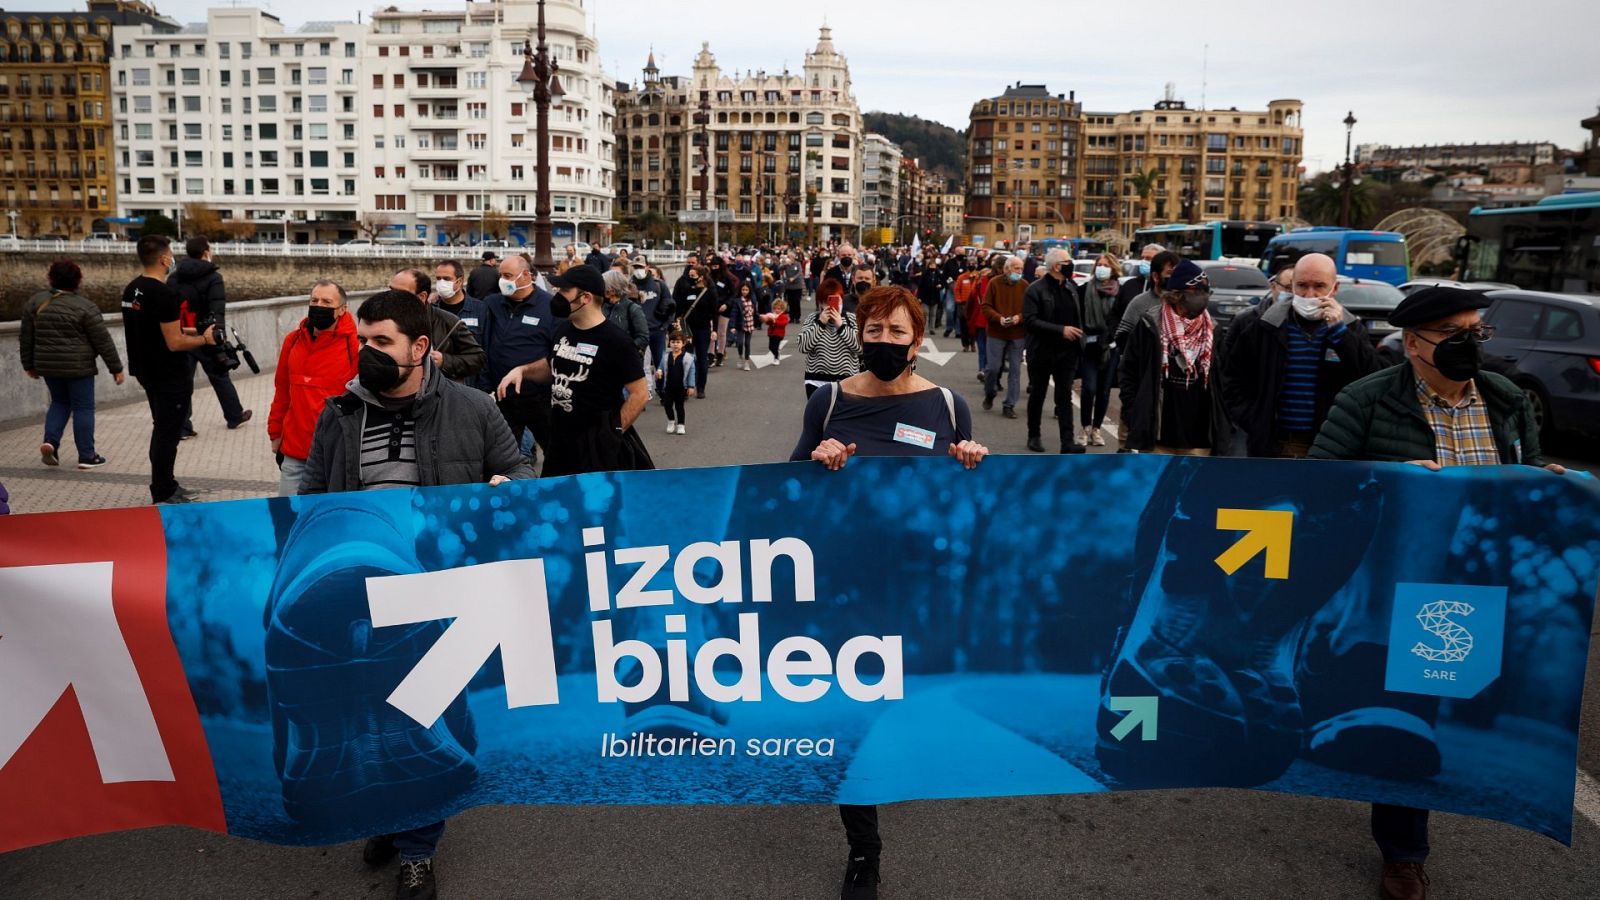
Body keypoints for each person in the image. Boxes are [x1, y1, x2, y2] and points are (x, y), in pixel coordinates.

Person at [1309, 286, 1566, 900]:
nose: (1470, 342)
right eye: (1453, 331)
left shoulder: (1506, 400)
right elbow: (1316, 487)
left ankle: (1336, 706)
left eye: (1477, 330)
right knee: (1406, 717)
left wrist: (1547, 484)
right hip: (1390, 588)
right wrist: (1385, 477)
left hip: (1470, 583)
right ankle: (1404, 853)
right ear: (1414, 342)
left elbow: (1524, 478)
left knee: (1427, 714)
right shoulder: (1367, 400)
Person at [294, 290, 531, 900]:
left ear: (420, 348)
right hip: (360, 597)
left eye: (381, 342)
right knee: (367, 723)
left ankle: (418, 851)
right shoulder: (339, 412)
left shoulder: (474, 409)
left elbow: (521, 470)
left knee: (420, 725)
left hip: (439, 595)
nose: (366, 352)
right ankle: (388, 818)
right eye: (362, 340)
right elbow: (314, 501)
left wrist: (509, 486)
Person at [788, 285, 989, 900]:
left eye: (895, 333)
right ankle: (863, 852)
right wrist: (815, 463)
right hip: (844, 589)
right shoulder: (827, 401)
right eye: (871, 332)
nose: (881, 343)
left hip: (918, 590)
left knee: (906, 714)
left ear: (916, 338)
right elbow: (785, 497)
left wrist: (972, 464)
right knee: (854, 718)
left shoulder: (948, 408)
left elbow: (969, 509)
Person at [496, 265, 652, 477]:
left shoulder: (616, 341)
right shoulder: (564, 329)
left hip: (597, 449)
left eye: (564, 291)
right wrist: (522, 371)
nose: (557, 295)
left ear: (585, 297)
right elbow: (554, 365)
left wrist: (613, 433)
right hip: (559, 443)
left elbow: (640, 393)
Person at [1223, 253, 1381, 459]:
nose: (1309, 295)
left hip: (1329, 446)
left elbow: (1369, 378)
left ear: (1335, 288)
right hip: (1273, 445)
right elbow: (1232, 380)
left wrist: (1340, 334)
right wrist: (1255, 421)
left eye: (1319, 286)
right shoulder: (1264, 326)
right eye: (1302, 286)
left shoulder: (1350, 328)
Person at [121, 235, 218, 504]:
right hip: (168, 373)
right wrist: (204, 339)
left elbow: (156, 328)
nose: (173, 259)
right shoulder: (164, 294)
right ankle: (163, 490)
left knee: (161, 428)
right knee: (168, 434)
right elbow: (174, 342)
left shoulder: (132, 290)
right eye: (171, 254)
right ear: (164, 259)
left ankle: (165, 483)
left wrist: (193, 329)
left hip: (145, 370)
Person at [1119, 259, 1231, 456]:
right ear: (1176, 295)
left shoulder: (1214, 330)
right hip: (1159, 436)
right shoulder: (1150, 326)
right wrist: (1134, 414)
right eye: (1196, 292)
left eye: (1206, 292)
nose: (1203, 298)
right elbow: (1128, 372)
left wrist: (1221, 423)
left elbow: (1224, 381)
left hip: (1199, 438)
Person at [21, 259, 124, 469]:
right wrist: (116, 368)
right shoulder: (86, 306)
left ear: (51, 279)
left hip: (48, 365)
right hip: (79, 366)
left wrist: (28, 364)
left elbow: (26, 337)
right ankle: (87, 455)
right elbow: (102, 340)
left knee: (59, 402)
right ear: (78, 281)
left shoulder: (35, 303)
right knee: (83, 408)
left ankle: (51, 442)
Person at [266, 279, 359, 497]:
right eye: (314, 300)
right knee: (289, 519)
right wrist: (275, 432)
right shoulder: (293, 341)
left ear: (342, 309)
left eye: (327, 302)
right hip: (295, 452)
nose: (318, 306)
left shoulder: (355, 346)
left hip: (335, 455)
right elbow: (282, 390)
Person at [480, 253, 558, 468]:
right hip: (502, 397)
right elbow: (483, 345)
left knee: (556, 452)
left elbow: (556, 352)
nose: (502, 280)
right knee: (501, 459)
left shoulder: (550, 306)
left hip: (539, 397)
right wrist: (486, 387)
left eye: (508, 275)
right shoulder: (492, 303)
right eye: (500, 275)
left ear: (526, 275)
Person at [172, 236, 251, 434]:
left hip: (181, 334)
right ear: (205, 252)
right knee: (220, 376)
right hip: (206, 335)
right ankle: (234, 416)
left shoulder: (174, 277)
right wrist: (218, 335)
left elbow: (169, 308)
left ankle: (182, 427)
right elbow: (217, 308)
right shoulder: (213, 277)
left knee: (182, 382)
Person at [1113, 249, 1182, 451]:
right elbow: (1122, 335)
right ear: (1155, 276)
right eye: (1169, 274)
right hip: (1140, 379)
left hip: (1169, 386)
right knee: (1128, 436)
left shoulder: (1182, 304)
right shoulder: (1140, 303)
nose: (1174, 279)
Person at [1021, 248, 1088, 453]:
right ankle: (1034, 436)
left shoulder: (1071, 288)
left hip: (1067, 353)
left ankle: (1067, 442)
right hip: (1042, 352)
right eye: (1068, 262)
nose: (1071, 265)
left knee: (1064, 397)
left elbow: (1078, 316)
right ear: (1058, 266)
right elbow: (1030, 321)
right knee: (1038, 394)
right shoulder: (1035, 290)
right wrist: (1061, 330)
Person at [389, 269, 485, 383]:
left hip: (438, 394)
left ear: (422, 296)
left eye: (401, 293)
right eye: (391, 290)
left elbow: (478, 358)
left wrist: (444, 361)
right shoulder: (383, 318)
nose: (391, 297)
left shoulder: (450, 322)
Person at [1075, 253, 1121, 447]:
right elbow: (1077, 315)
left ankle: (1096, 429)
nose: (1102, 267)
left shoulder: (1120, 291)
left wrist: (1111, 335)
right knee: (1089, 389)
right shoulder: (1085, 288)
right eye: (1099, 264)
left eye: (1106, 265)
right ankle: (1085, 427)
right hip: (1089, 346)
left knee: (1103, 392)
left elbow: (1122, 318)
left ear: (1113, 269)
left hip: (1110, 347)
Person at [980, 254, 1028, 419]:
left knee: (1015, 371)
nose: (1019, 271)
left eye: (1021, 268)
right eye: (1016, 268)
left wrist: (1018, 318)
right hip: (996, 332)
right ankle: (990, 392)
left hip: (1017, 334)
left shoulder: (1024, 285)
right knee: (993, 368)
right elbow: (985, 306)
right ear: (1007, 269)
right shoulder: (994, 283)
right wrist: (999, 318)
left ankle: (1009, 404)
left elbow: (1029, 310)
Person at [797, 282, 860, 399]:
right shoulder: (813, 319)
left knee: (843, 416)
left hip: (847, 380)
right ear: (820, 303)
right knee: (819, 416)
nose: (832, 306)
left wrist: (840, 326)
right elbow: (803, 346)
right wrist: (820, 323)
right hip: (816, 380)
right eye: (827, 301)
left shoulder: (851, 319)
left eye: (837, 301)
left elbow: (859, 348)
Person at [677, 265, 723, 398]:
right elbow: (680, 310)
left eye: (693, 276)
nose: (690, 279)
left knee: (702, 358)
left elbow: (714, 313)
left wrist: (714, 330)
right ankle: (686, 387)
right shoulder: (686, 291)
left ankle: (701, 387)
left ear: (701, 277)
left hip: (703, 330)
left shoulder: (709, 292)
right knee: (687, 358)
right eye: (689, 276)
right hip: (688, 329)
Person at [431, 259, 489, 348]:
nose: (442, 283)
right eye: (438, 279)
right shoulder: (431, 310)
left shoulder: (480, 309)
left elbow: (486, 345)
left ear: (460, 281)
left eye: (447, 279)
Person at [633, 258, 674, 379]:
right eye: (635, 267)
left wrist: (665, 326)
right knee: (637, 364)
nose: (638, 270)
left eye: (640, 267)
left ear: (646, 267)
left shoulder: (658, 284)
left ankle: (663, 390)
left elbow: (670, 306)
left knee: (660, 363)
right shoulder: (630, 285)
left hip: (657, 330)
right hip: (638, 332)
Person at [601, 268, 651, 356]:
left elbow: (643, 337)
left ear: (613, 290)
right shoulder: (603, 306)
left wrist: (624, 349)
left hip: (625, 360)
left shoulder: (633, 308)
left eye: (604, 286)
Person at [654, 329, 696, 434]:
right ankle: (671, 421)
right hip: (668, 386)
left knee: (679, 406)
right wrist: (659, 372)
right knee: (667, 405)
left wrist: (691, 386)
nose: (675, 345)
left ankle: (681, 425)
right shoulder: (666, 356)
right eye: (673, 342)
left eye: (678, 342)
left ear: (683, 343)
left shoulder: (688, 358)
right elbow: (661, 366)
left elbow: (691, 372)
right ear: (669, 343)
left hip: (681, 387)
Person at [731, 281, 757, 371]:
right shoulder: (737, 301)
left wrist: (761, 319)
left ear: (749, 290)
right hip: (740, 324)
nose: (744, 291)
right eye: (743, 289)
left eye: (746, 290)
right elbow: (734, 313)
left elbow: (755, 312)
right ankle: (740, 356)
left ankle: (747, 362)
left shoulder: (752, 300)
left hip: (750, 324)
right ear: (740, 290)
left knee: (747, 343)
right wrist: (732, 326)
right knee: (740, 343)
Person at [762, 298, 790, 367]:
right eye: (775, 308)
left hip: (779, 334)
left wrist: (775, 321)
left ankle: (776, 358)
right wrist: (767, 320)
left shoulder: (783, 316)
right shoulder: (772, 315)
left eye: (778, 309)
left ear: (782, 309)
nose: (776, 310)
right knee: (770, 347)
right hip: (771, 333)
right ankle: (777, 353)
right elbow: (768, 323)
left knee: (775, 346)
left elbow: (783, 323)